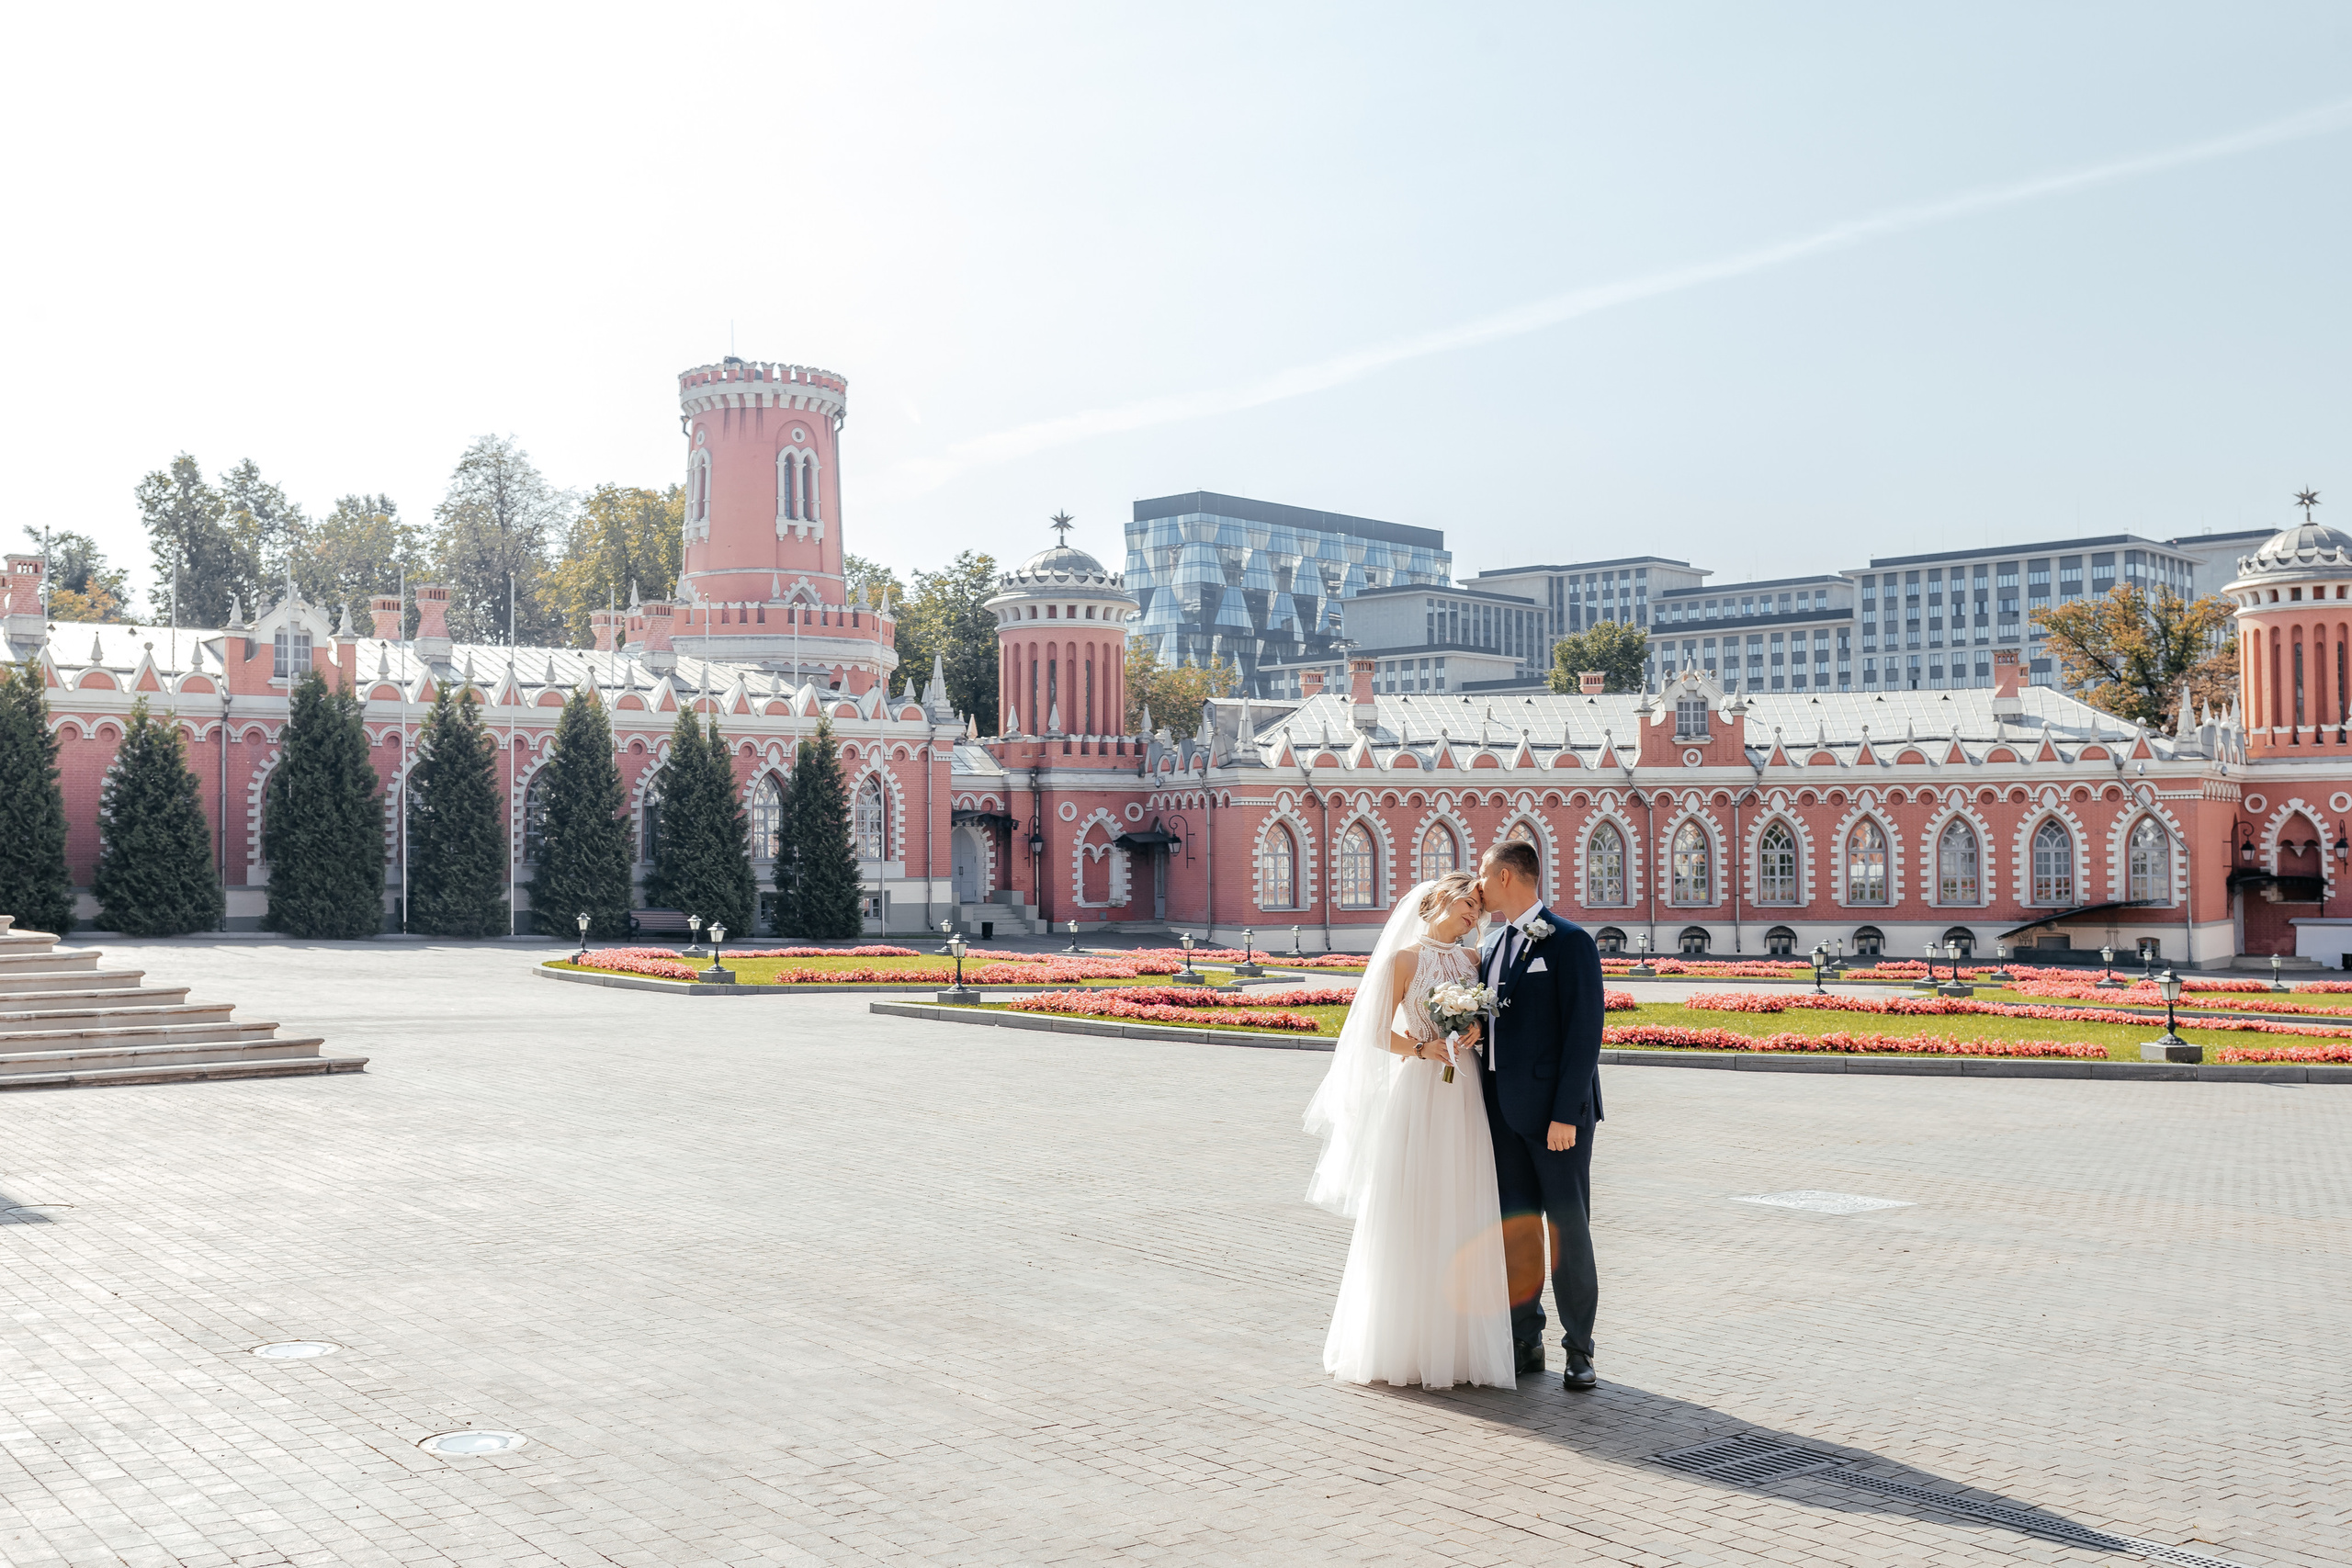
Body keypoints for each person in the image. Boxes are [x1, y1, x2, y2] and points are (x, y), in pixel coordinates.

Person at [1304, 872, 1514, 1391]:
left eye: (1480, 910)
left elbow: (1492, 1024)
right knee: (1412, 1205)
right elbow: (1375, 1032)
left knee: (1462, 1203)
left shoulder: (1474, 961)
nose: (1475, 915)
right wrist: (1424, 1048)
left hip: (1464, 1098)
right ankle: (1403, 1341)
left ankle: (1461, 1348)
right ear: (1437, 901)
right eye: (1468, 904)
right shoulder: (1404, 961)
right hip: (1418, 1092)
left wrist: (1475, 1029)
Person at [1475, 838, 1605, 1391]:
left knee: (1568, 1231)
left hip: (1556, 1120)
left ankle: (1580, 1350)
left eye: (1483, 876)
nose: (1477, 888)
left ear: (1507, 877)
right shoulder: (1490, 945)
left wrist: (1565, 1115)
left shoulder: (1570, 943)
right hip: (1502, 1115)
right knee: (1517, 1232)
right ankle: (1525, 1340)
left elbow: (1584, 1034)